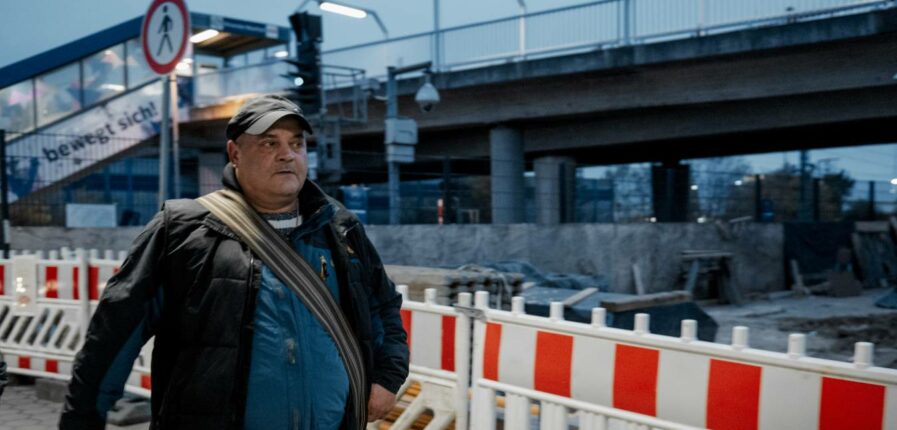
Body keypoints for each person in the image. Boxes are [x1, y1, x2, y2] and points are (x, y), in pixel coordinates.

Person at [60, 94, 409, 429]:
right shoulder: (183, 230)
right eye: (269, 143)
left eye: (296, 143)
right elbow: (111, 338)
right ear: (235, 153)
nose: (287, 155)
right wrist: (83, 420)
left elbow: (383, 305)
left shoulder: (340, 227)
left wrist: (387, 378)